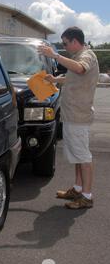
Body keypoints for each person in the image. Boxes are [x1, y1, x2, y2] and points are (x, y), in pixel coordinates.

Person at [38, 27, 99, 209]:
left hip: (78, 116)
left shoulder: (86, 55)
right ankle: (78, 188)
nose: (64, 47)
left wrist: (55, 56)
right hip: (73, 115)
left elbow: (80, 69)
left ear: (74, 41)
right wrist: (55, 80)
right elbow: (74, 77)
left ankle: (87, 196)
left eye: (65, 43)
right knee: (77, 156)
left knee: (83, 156)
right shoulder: (77, 56)